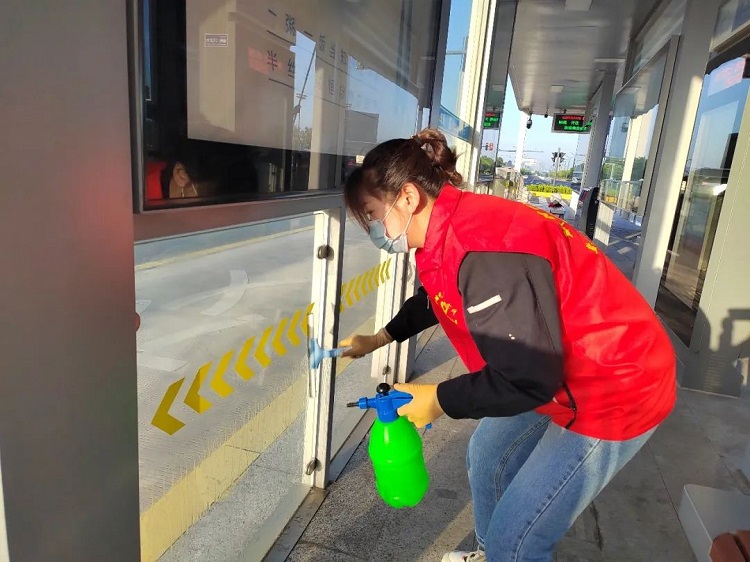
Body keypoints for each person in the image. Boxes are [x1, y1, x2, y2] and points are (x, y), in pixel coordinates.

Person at [340, 129, 676, 562]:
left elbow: (526, 378)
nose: (374, 230)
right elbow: (436, 296)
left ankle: (503, 552)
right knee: (488, 454)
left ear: (407, 197)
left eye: (372, 214)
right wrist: (379, 338)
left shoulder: (482, 249)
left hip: (613, 385)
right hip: (559, 363)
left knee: (518, 541)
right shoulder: (447, 228)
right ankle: (490, 553)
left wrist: (439, 399)